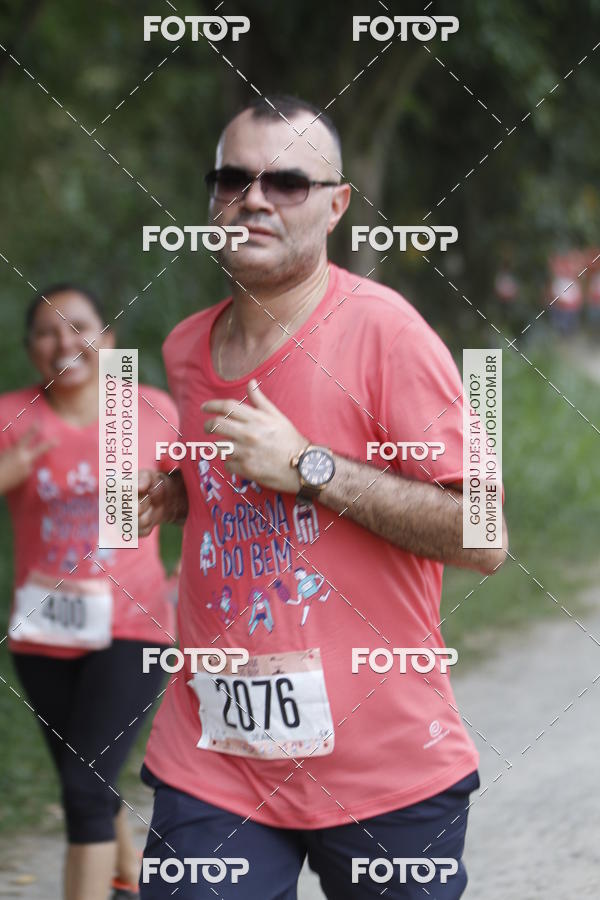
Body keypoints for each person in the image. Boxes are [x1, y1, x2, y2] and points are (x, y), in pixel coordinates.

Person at [137, 95, 509, 899]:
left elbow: (484, 535)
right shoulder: (184, 346)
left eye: (289, 183)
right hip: (218, 757)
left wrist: (311, 464)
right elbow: (235, 493)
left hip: (386, 772)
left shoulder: (386, 332)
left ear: (337, 204)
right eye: (233, 179)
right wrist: (174, 494)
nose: (255, 199)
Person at [0, 284, 179, 900]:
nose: (63, 342)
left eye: (78, 327)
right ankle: (128, 879)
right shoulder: (10, 417)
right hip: (43, 630)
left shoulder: (152, 410)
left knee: (82, 790)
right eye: (47, 332)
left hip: (134, 627)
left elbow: (211, 499)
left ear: (108, 339)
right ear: (31, 351)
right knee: (90, 785)